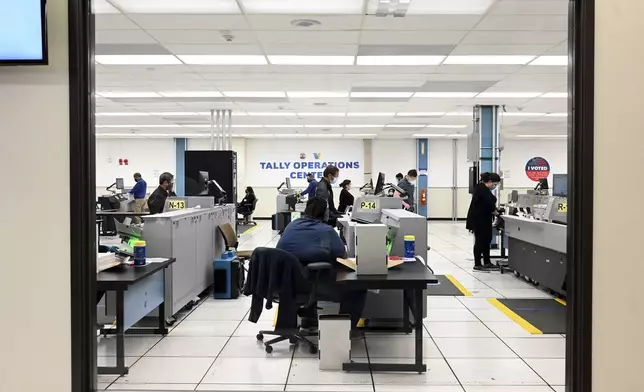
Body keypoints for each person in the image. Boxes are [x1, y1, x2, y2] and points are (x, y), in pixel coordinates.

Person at [276, 197, 365, 329]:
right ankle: (344, 331)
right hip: (309, 284)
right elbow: (342, 255)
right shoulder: (327, 231)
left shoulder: (291, 225)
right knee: (358, 288)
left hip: (285, 283)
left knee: (309, 269)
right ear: (325, 213)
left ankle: (309, 318)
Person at [466, 172, 502, 272]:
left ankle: (487, 262)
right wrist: (496, 213)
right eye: (495, 184)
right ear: (490, 182)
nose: (495, 186)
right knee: (480, 241)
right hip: (479, 220)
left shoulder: (482, 188)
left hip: (484, 219)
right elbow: (489, 203)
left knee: (487, 240)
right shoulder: (481, 189)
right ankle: (477, 264)